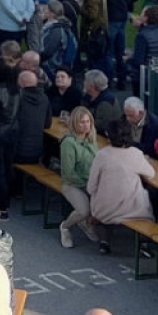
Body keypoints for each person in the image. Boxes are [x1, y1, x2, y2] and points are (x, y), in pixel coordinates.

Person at [86, 118, 157, 230]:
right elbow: (151, 173)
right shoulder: (135, 154)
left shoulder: (101, 155)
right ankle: (144, 242)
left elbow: (90, 188)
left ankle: (104, 241)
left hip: (103, 210)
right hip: (133, 210)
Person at [58, 105, 102, 249]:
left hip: (91, 182)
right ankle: (65, 227)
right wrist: (88, 185)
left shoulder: (91, 139)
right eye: (82, 122)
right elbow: (68, 172)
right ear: (74, 124)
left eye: (88, 122)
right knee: (84, 210)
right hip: (73, 183)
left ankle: (86, 223)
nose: (85, 125)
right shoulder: (68, 143)